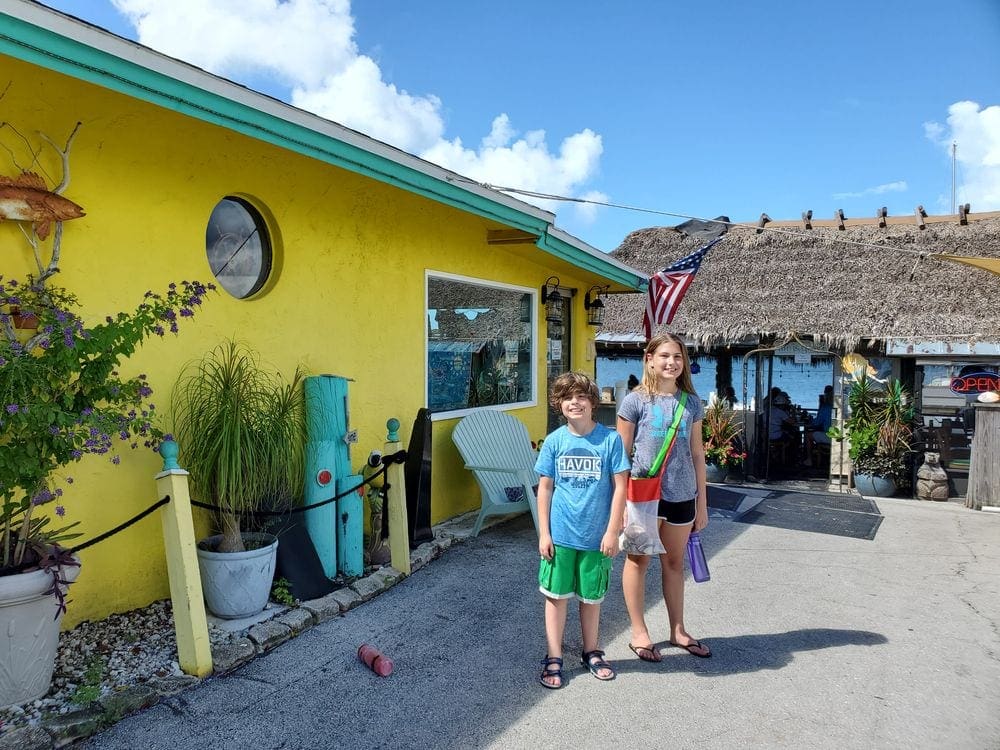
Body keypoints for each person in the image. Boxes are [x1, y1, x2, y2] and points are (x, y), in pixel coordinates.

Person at [616, 333, 711, 662]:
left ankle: (678, 629)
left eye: (678, 357)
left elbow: (698, 455)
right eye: (665, 356)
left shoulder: (692, 403)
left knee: (673, 563)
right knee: (638, 561)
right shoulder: (635, 401)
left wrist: (702, 503)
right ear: (650, 359)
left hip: (682, 494)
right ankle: (639, 631)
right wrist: (620, 507)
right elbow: (621, 456)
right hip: (643, 495)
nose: (672, 363)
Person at [535, 372, 630, 689]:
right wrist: (544, 533)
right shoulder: (554, 441)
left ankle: (592, 651)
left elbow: (620, 488)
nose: (574, 402)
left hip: (596, 537)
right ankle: (553, 655)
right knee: (556, 597)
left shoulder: (610, 440)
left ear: (593, 402)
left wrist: (613, 531)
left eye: (581, 396)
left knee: (591, 599)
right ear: (559, 405)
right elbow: (545, 489)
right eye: (567, 398)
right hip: (560, 536)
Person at [803, 390, 833, 467]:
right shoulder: (838, 408)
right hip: (838, 436)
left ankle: (809, 459)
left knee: (808, 435)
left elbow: (816, 423)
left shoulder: (826, 408)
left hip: (829, 437)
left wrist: (810, 420)